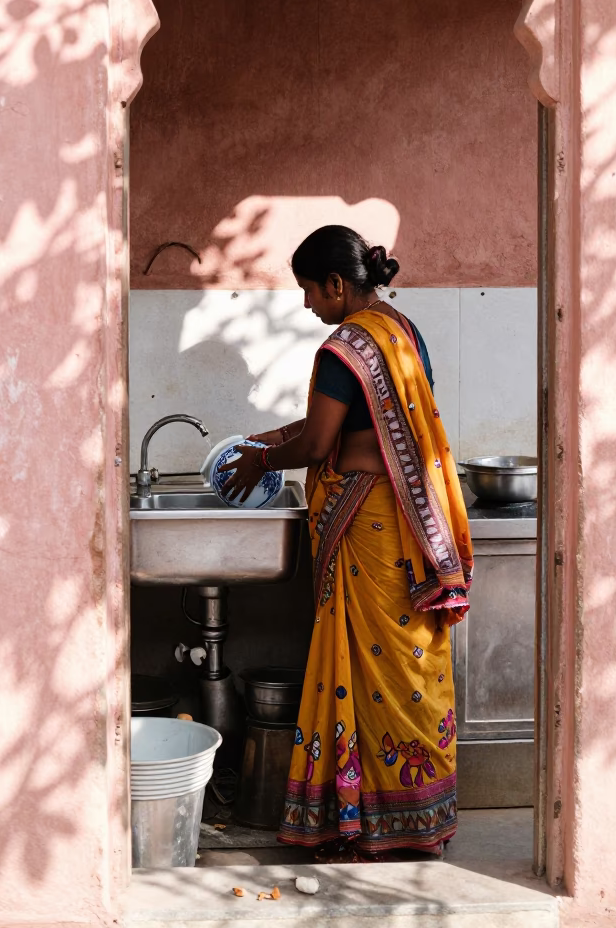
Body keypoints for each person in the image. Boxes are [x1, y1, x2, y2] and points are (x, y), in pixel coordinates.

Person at [219, 225, 473, 860]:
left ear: (336, 284)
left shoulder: (340, 351)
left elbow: (316, 445)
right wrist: (273, 438)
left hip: (366, 522)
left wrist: (259, 461)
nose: (307, 305)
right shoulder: (401, 332)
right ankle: (422, 819)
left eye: (309, 290)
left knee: (365, 667)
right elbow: (358, 424)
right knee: (408, 662)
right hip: (408, 527)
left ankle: (369, 824)